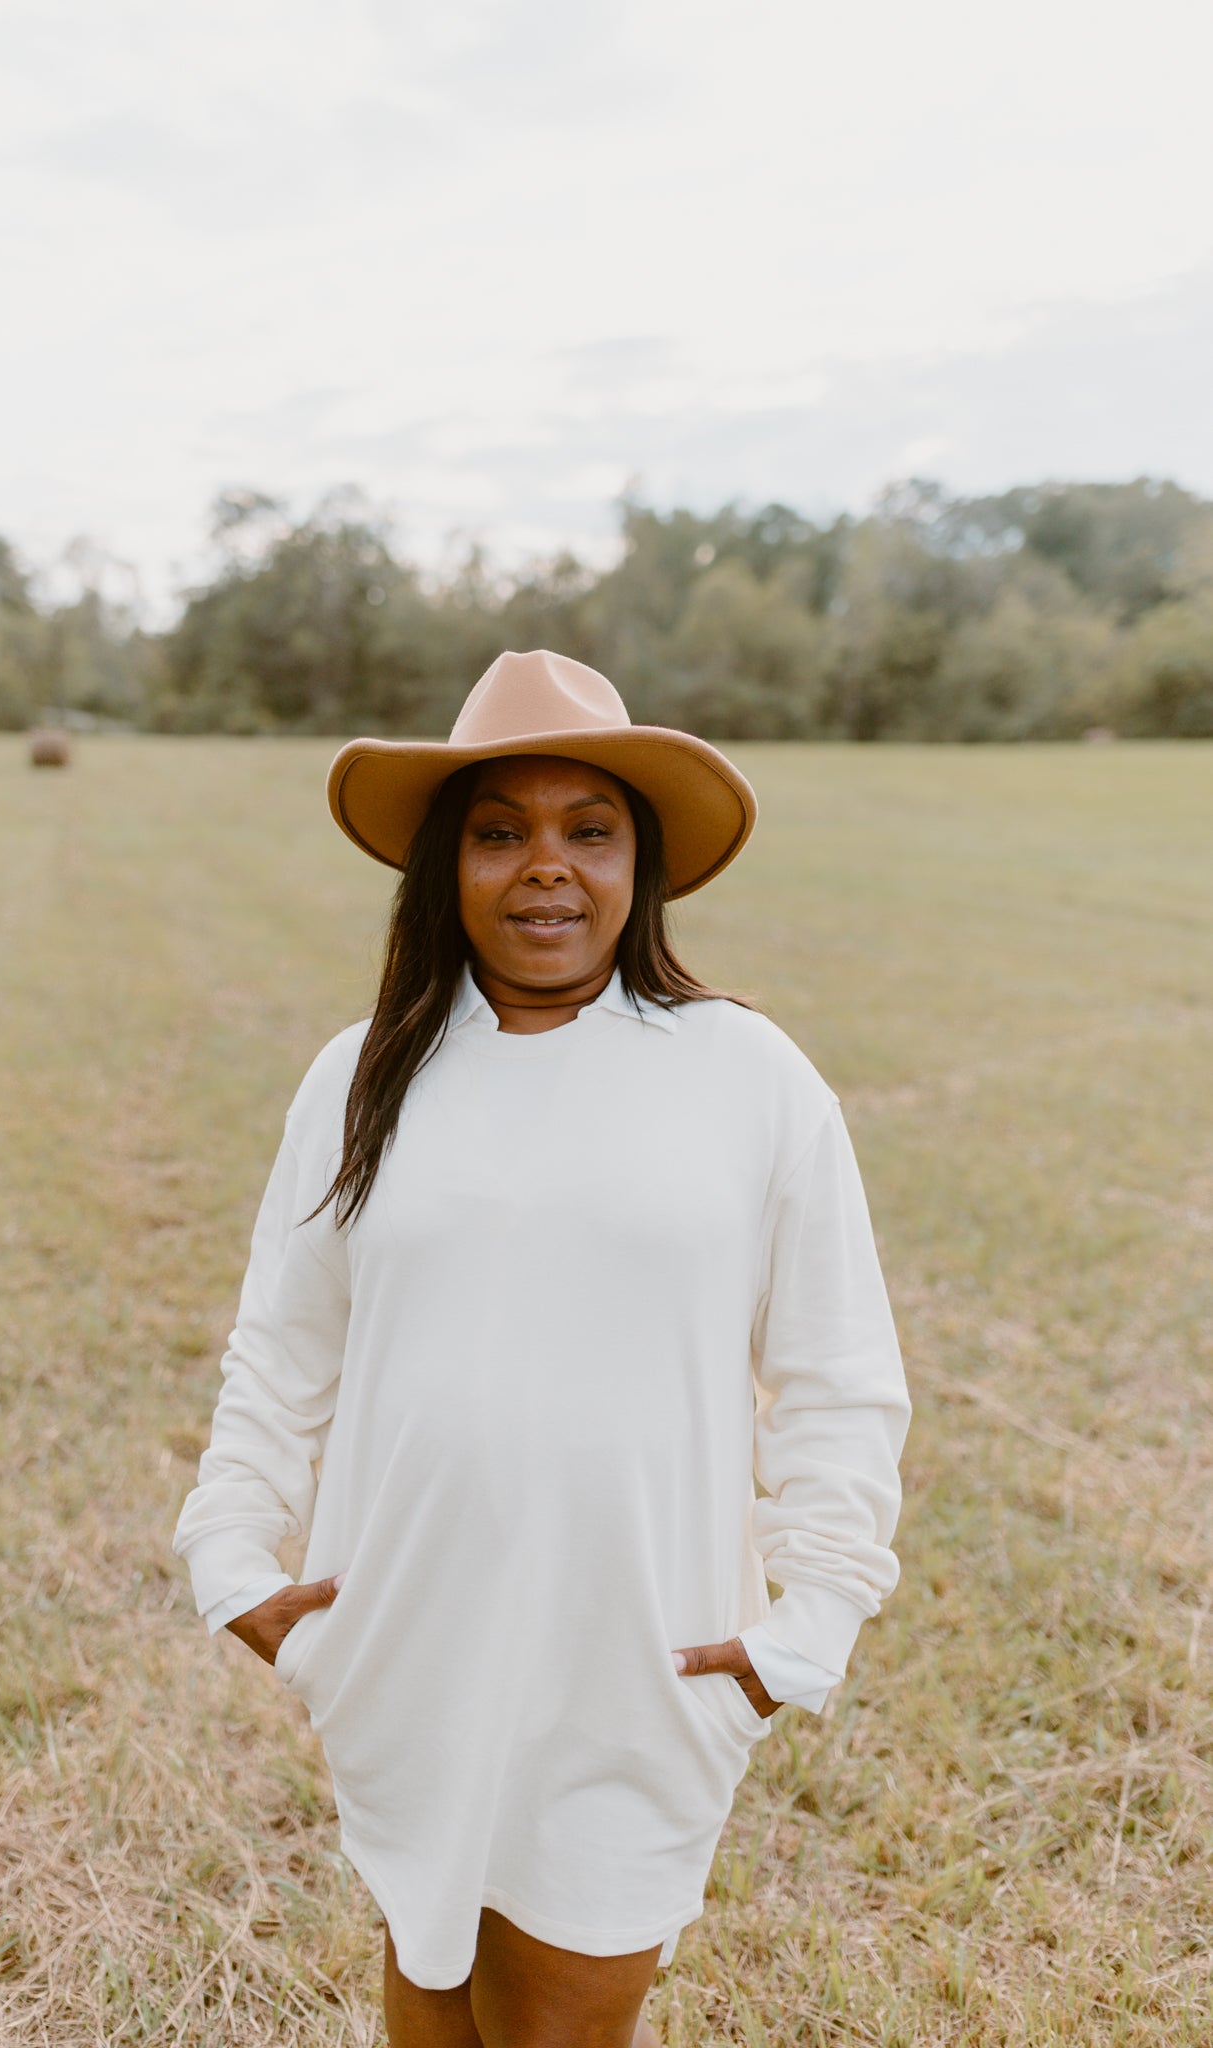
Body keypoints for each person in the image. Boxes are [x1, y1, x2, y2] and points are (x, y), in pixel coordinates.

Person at [173, 649, 911, 2048]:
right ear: (447, 865)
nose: (546, 870)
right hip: (410, 1650)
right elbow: (281, 1346)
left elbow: (838, 1379)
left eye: (590, 831)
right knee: (430, 2007)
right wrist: (233, 1555)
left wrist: (806, 1626)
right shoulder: (364, 1073)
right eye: (501, 832)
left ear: (644, 865)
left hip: (637, 1657)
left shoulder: (747, 1077)